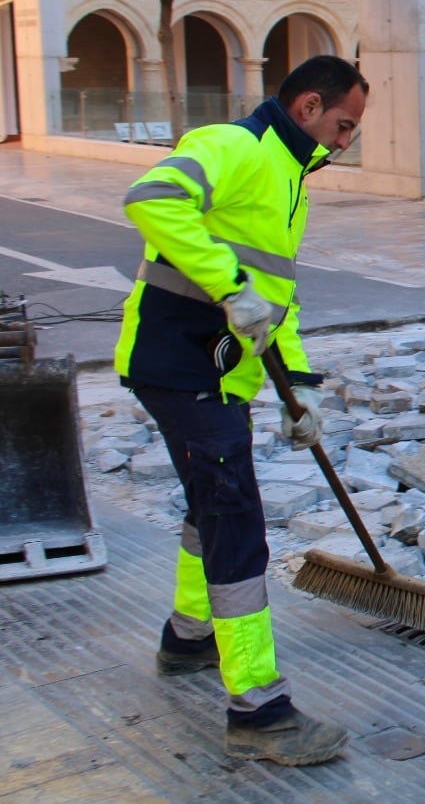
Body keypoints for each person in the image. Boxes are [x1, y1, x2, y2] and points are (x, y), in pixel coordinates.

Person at [115, 55, 367, 766]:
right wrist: (230, 287)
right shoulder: (233, 145)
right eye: (344, 125)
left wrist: (301, 384)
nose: (346, 140)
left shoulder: (291, 179)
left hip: (219, 377)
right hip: (179, 365)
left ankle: (188, 639)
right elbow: (151, 197)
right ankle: (259, 712)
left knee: (210, 508)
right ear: (309, 105)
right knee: (236, 520)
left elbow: (275, 296)